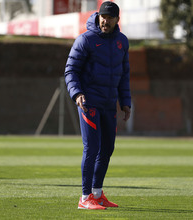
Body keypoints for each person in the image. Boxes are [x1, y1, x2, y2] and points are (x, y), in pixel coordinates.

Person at [64, 1, 131, 210]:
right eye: (103, 17)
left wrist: (125, 101)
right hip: (89, 103)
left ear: (117, 20)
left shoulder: (122, 41)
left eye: (110, 18)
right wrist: (77, 94)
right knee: (91, 148)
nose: (105, 21)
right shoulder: (85, 40)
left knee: (107, 148)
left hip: (109, 104)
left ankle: (97, 193)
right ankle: (85, 198)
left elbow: (124, 74)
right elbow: (71, 70)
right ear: (98, 16)